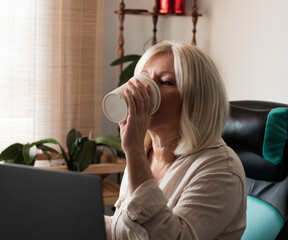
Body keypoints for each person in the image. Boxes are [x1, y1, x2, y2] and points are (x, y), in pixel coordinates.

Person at [104, 41, 247, 240]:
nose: (146, 89)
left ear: (196, 100)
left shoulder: (222, 170)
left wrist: (134, 152)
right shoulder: (145, 151)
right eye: (143, 78)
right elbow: (129, 229)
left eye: (165, 82)